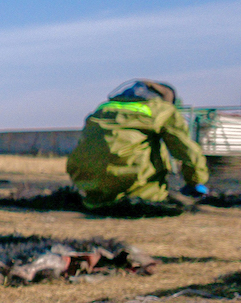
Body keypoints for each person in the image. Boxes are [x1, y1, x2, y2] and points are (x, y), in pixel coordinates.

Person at [65, 79, 209, 216]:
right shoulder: (162, 109)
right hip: (133, 184)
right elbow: (187, 150)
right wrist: (195, 181)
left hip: (87, 182)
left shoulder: (104, 107)